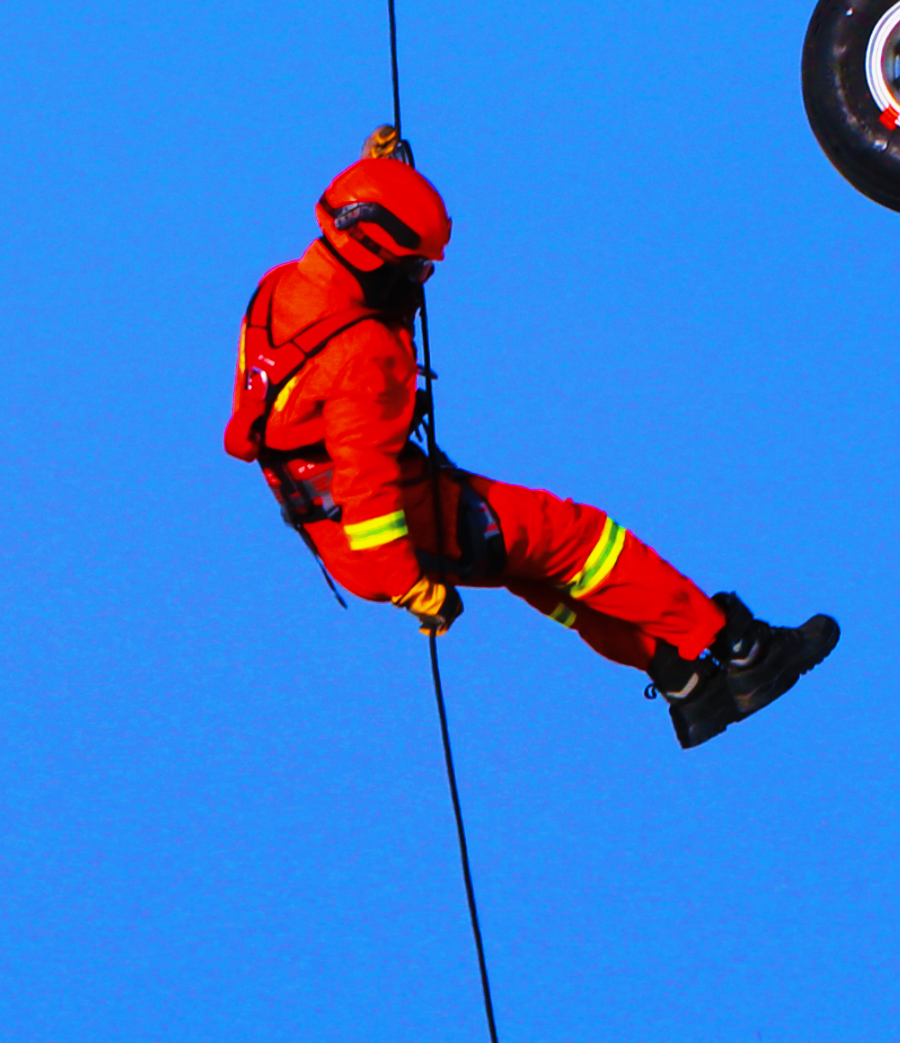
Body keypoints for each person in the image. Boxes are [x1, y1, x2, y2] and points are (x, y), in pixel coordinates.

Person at [227, 133, 835, 749]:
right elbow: (366, 482)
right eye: (416, 267)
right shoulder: (366, 355)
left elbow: (364, 272)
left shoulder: (285, 287)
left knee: (542, 573)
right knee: (577, 540)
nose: (424, 278)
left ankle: (686, 683)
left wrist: (382, 174)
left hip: (341, 536)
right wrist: (407, 584)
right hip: (389, 530)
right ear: (374, 258)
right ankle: (738, 647)